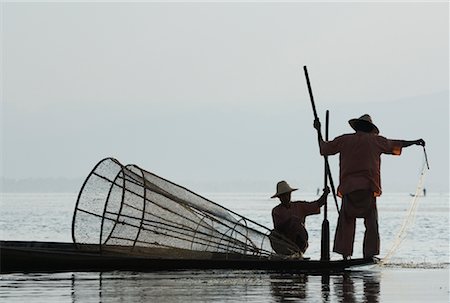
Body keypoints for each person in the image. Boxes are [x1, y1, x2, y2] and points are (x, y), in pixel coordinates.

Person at [313, 114, 425, 259]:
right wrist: (415, 142)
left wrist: (318, 131)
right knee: (371, 223)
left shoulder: (345, 140)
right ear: (370, 129)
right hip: (367, 188)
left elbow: (324, 148)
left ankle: (345, 255)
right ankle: (369, 255)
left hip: (349, 189)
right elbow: (396, 144)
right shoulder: (376, 141)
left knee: (346, 223)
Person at [270, 180, 330, 256]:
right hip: (284, 243)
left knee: (295, 222)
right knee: (274, 233)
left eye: (287, 194)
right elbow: (279, 227)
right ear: (279, 197)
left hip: (300, 243)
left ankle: (296, 252)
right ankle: (288, 253)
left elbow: (317, 204)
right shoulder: (276, 211)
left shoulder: (299, 206)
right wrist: (291, 222)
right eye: (283, 195)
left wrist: (325, 194)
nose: (286, 197)